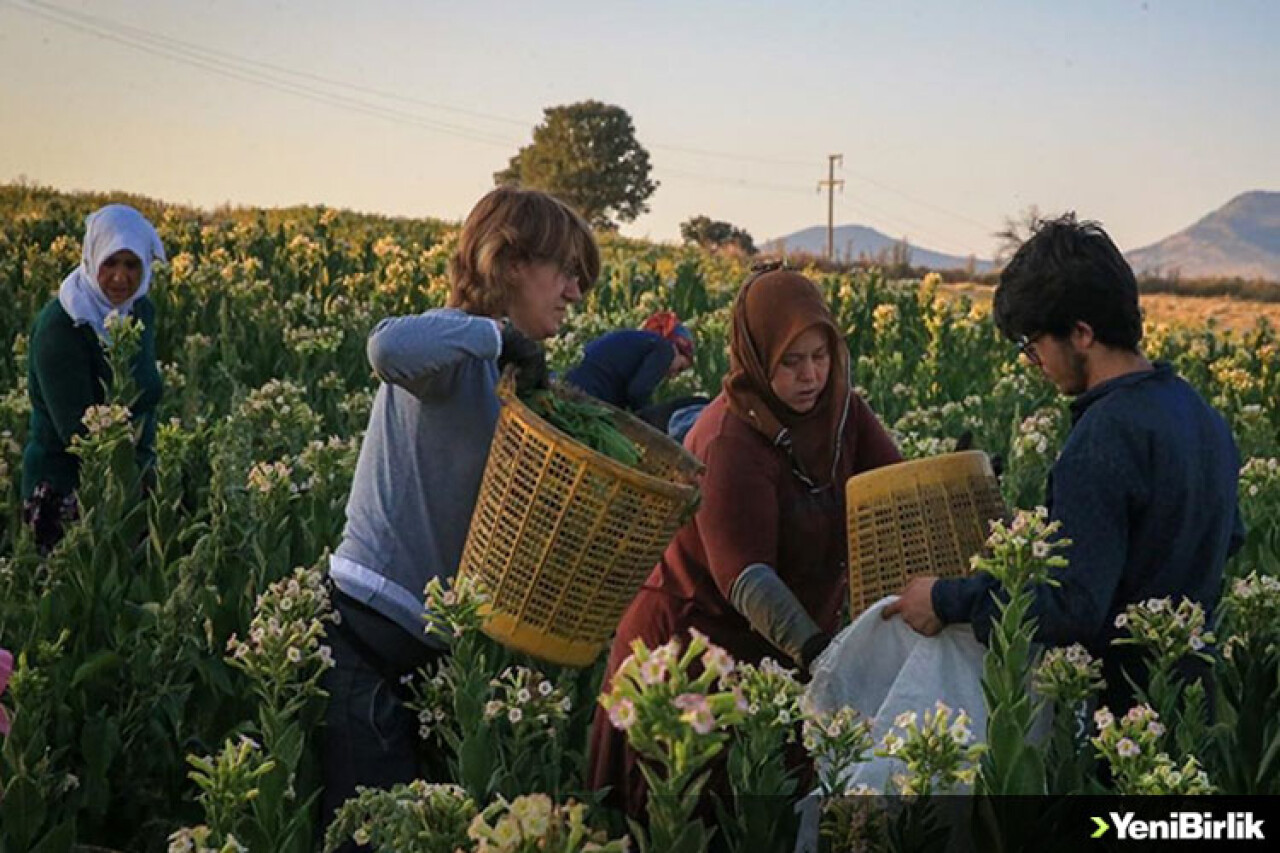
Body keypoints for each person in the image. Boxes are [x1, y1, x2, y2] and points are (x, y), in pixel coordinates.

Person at [320, 187, 599, 840]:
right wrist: (494, 333)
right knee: (375, 836)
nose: (574, 291)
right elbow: (387, 348)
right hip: (366, 640)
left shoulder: (510, 383)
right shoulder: (452, 359)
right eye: (563, 270)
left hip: (440, 659)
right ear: (507, 262)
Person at [885, 213, 1244, 714]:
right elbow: (1230, 537)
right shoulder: (1200, 414)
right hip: (1190, 710)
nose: (1035, 365)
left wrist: (947, 600)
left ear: (1080, 333)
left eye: (1033, 347)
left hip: (1117, 718)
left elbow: (1072, 606)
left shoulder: (1104, 436)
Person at [588, 267, 902, 819]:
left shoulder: (842, 413)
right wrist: (829, 662)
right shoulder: (729, 437)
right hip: (693, 657)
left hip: (782, 659)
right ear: (756, 357)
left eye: (820, 357)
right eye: (790, 361)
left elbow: (896, 493)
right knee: (684, 817)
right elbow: (747, 578)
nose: (811, 377)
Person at [22, 204, 166, 552]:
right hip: (66, 491)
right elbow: (78, 433)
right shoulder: (62, 325)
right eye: (110, 263)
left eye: (132, 265)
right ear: (91, 259)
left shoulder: (138, 311)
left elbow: (141, 393)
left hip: (129, 485)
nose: (121, 278)